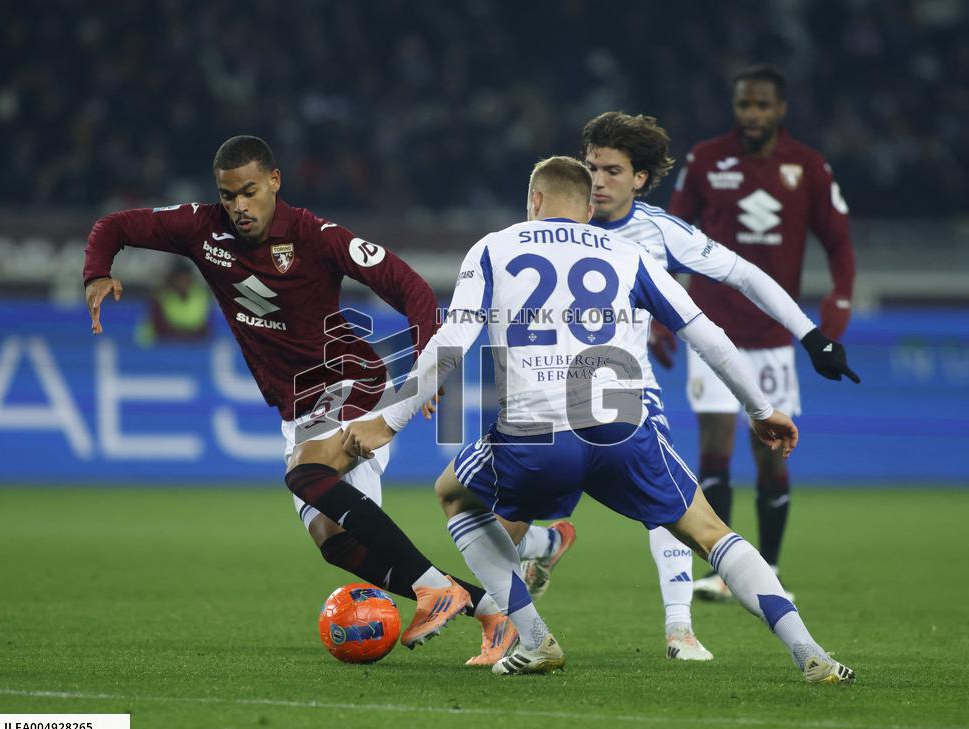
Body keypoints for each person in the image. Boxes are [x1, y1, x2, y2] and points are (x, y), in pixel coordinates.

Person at [342, 156, 855, 684]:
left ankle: (536, 640)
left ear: (534, 201)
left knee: (453, 494)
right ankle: (809, 652)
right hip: (622, 430)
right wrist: (760, 409)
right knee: (710, 532)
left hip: (535, 436)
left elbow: (452, 340)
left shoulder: (495, 247)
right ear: (588, 210)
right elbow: (707, 334)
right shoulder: (628, 253)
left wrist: (390, 421)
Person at [83, 134, 559, 664]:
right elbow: (114, 225)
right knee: (336, 542)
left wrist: (427, 366)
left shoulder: (316, 235)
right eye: (228, 195)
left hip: (350, 384)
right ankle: (491, 611)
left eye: (249, 192)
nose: (239, 206)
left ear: (274, 182)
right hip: (299, 408)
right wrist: (97, 270)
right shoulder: (201, 227)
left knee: (305, 474)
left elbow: (411, 287)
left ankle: (436, 590)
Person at [577, 111, 858, 656]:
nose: (597, 181)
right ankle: (531, 573)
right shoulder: (556, 218)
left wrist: (810, 335)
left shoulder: (660, 232)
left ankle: (679, 627)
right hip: (547, 387)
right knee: (495, 503)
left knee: (666, 501)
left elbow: (745, 275)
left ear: (640, 178)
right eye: (591, 168)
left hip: (623, 388)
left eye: (612, 170)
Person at [667, 65, 858, 600]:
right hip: (710, 329)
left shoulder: (808, 166)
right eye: (743, 105)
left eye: (761, 105)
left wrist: (838, 305)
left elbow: (839, 242)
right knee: (714, 447)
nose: (751, 114)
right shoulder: (706, 160)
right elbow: (670, 238)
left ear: (781, 109)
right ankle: (724, 570)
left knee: (772, 455)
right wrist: (663, 314)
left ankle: (768, 569)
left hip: (773, 337)